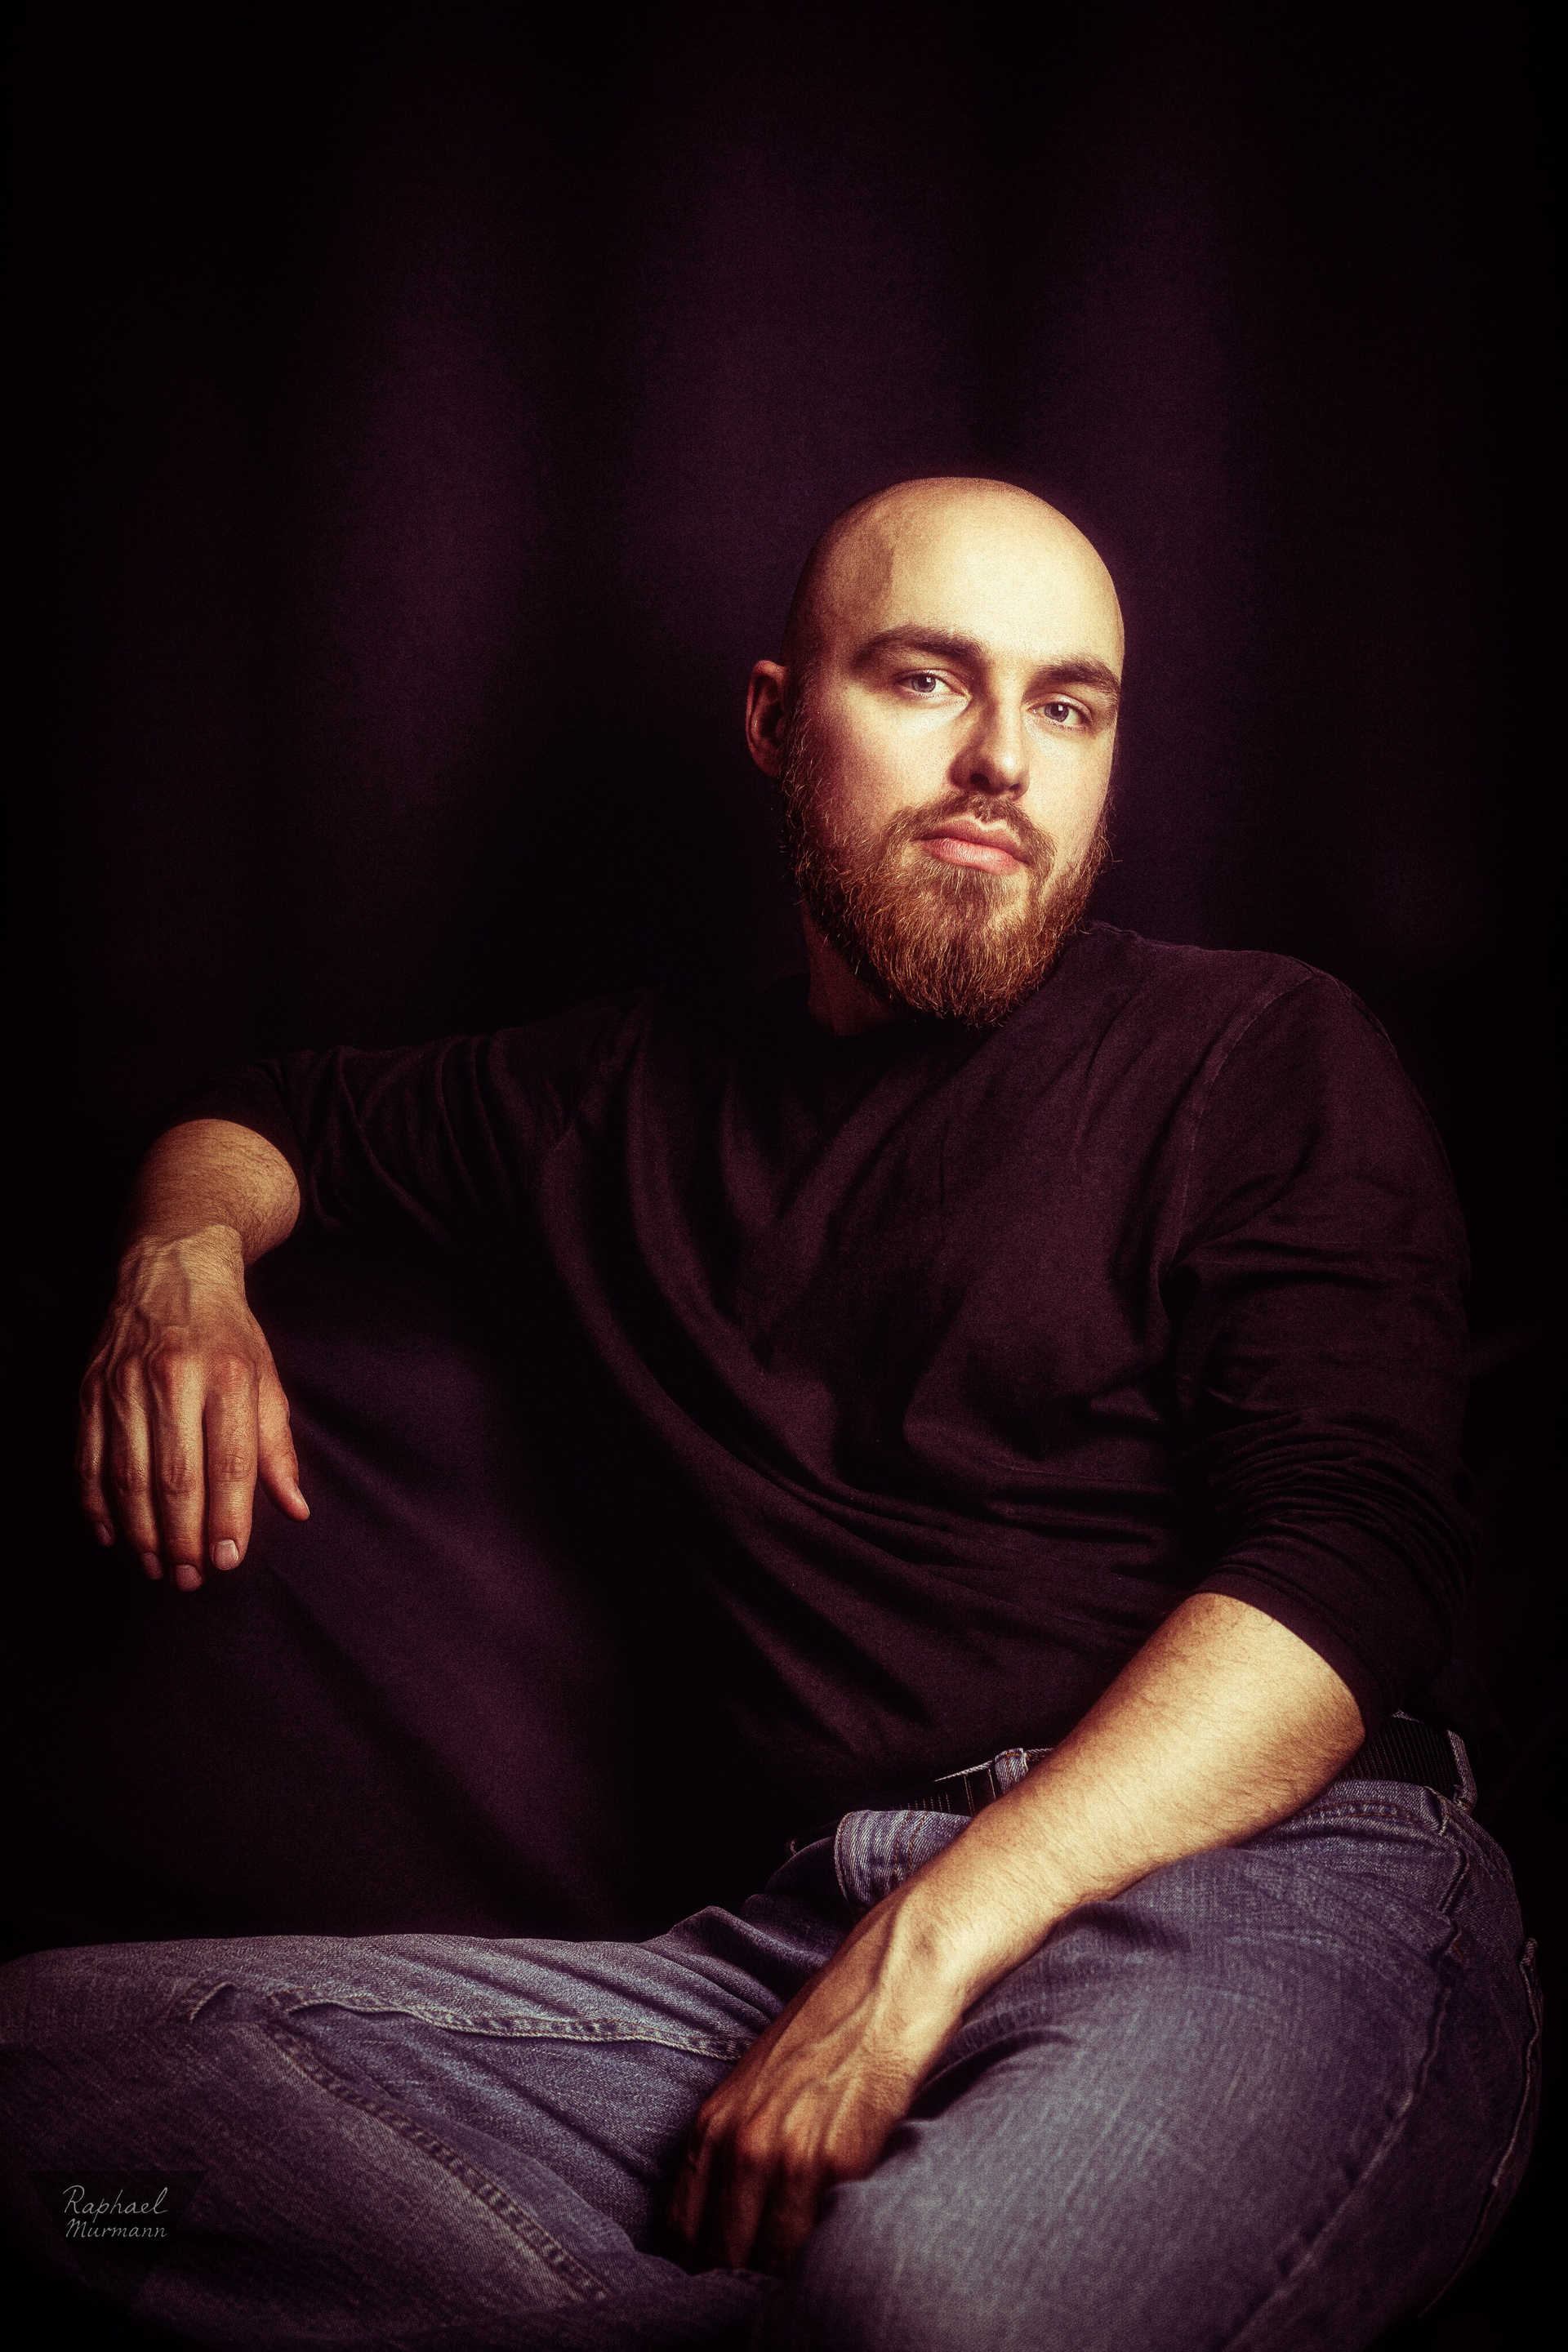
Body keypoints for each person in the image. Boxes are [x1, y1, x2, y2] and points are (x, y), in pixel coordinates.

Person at [0, 479, 1540, 2350]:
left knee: (934, 2302)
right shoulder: (616, 1102)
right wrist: (180, 1267)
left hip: (1251, 1898)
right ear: (773, 719)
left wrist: (931, 1946)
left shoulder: (1256, 1049)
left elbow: (1353, 1570)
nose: (1003, 761)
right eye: (927, 679)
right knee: (55, 2104)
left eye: (1069, 707)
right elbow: (270, 1118)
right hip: (792, 1954)